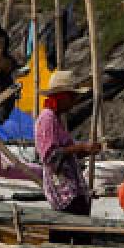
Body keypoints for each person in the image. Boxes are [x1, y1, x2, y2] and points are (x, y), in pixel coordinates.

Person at [35, 70, 102, 216]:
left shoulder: (56, 119)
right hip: (63, 193)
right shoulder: (47, 119)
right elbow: (50, 156)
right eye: (72, 97)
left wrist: (86, 150)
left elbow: (66, 153)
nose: (74, 102)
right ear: (62, 97)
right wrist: (81, 147)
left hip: (72, 190)